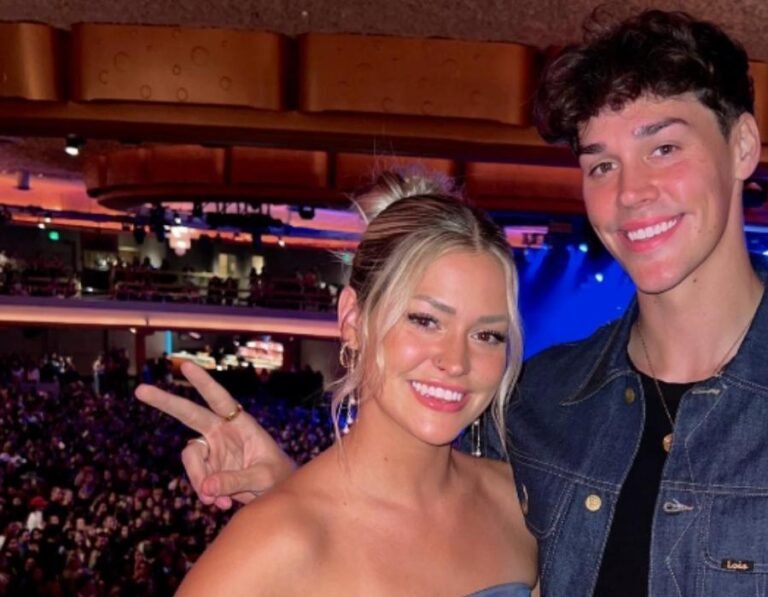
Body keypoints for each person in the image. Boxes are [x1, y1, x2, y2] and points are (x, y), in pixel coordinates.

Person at [139, 9, 768, 597]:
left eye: (664, 147)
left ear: (741, 146)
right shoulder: (535, 404)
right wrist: (292, 503)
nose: (630, 193)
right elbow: (403, 527)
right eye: (600, 164)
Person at [136, 172, 537, 595]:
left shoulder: (520, 503)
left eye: (487, 335)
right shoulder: (274, 544)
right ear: (352, 320)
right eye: (425, 320)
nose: (456, 362)